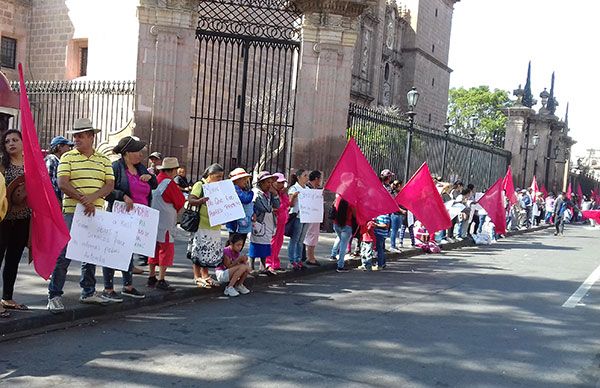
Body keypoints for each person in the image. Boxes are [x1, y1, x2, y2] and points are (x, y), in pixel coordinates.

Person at [47, 118, 115, 312]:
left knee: (91, 253)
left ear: (92, 137)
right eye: (75, 135)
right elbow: (62, 183)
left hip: (95, 212)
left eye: (81, 135)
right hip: (71, 212)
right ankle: (54, 294)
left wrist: (91, 199)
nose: (76, 139)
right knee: (64, 254)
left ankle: (88, 292)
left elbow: (109, 185)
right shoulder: (67, 158)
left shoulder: (103, 159)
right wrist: (85, 200)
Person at [104, 135, 158, 299]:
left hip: (138, 218)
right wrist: (123, 196)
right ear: (126, 153)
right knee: (113, 251)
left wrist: (151, 177)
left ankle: (128, 286)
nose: (141, 154)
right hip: (119, 216)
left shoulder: (141, 168)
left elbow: (153, 184)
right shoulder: (116, 167)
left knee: (127, 251)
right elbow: (107, 190)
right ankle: (108, 288)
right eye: (137, 151)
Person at [0, 129, 31, 311]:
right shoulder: (2, 165)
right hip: (2, 219)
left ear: (22, 142)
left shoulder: (31, 164)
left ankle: (7, 298)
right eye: (7, 141)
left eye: (15, 140)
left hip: (23, 219)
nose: (11, 143)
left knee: (13, 259)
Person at [148, 157, 186, 291]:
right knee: (166, 248)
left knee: (153, 248)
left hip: (153, 218)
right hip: (166, 220)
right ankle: (161, 278)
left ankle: (151, 276)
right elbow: (180, 202)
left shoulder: (156, 180)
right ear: (174, 170)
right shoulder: (169, 183)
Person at [188, 163, 224, 288]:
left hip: (214, 226)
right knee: (199, 252)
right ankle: (197, 276)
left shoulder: (218, 187)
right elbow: (191, 199)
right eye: (218, 176)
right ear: (210, 175)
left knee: (207, 253)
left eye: (221, 177)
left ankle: (206, 276)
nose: (220, 179)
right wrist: (200, 201)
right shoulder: (200, 185)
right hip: (202, 225)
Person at [249, 171, 280, 275]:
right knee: (256, 243)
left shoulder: (270, 194)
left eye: (271, 183)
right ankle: (251, 266)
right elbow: (266, 208)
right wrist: (272, 208)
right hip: (258, 221)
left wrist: (275, 195)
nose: (270, 185)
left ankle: (263, 266)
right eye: (267, 182)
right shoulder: (256, 194)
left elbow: (277, 205)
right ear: (261, 183)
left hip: (268, 222)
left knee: (265, 244)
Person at [265, 173, 289, 272]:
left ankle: (275, 261)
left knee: (279, 242)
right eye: (279, 183)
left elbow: (287, 203)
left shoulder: (281, 193)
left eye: (283, 183)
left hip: (282, 221)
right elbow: (278, 206)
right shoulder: (271, 193)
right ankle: (269, 262)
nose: (281, 185)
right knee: (273, 242)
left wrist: (283, 193)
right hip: (274, 221)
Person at [225, 168, 254, 245]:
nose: (246, 182)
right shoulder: (235, 189)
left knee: (239, 244)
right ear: (236, 180)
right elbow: (246, 199)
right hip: (236, 225)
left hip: (243, 223)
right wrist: (251, 193)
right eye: (244, 179)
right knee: (235, 244)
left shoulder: (243, 190)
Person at [287, 169, 308, 270]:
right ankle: (292, 261)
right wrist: (294, 197)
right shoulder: (294, 188)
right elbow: (290, 204)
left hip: (306, 217)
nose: (307, 178)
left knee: (301, 240)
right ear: (299, 177)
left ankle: (298, 259)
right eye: (305, 175)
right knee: (294, 239)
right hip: (297, 216)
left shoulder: (307, 189)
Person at [45, 135, 74, 203]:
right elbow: (50, 182)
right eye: (68, 147)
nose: (69, 150)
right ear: (59, 147)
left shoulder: (59, 161)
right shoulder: (51, 160)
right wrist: (55, 200)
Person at [303, 170, 322, 266]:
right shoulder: (307, 189)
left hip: (315, 216)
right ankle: (309, 257)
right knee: (310, 235)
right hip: (309, 215)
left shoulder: (316, 189)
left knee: (314, 235)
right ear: (316, 179)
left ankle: (310, 255)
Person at [330, 195, 353, 272]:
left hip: (336, 224)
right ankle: (340, 265)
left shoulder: (338, 198)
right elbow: (355, 213)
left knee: (339, 238)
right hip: (347, 225)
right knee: (343, 245)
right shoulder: (351, 201)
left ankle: (333, 254)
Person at [389, 179, 403, 252]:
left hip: (398, 214)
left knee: (396, 230)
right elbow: (394, 205)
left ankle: (393, 245)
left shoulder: (398, 193)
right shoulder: (394, 194)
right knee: (394, 231)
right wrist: (401, 210)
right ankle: (392, 246)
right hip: (395, 214)